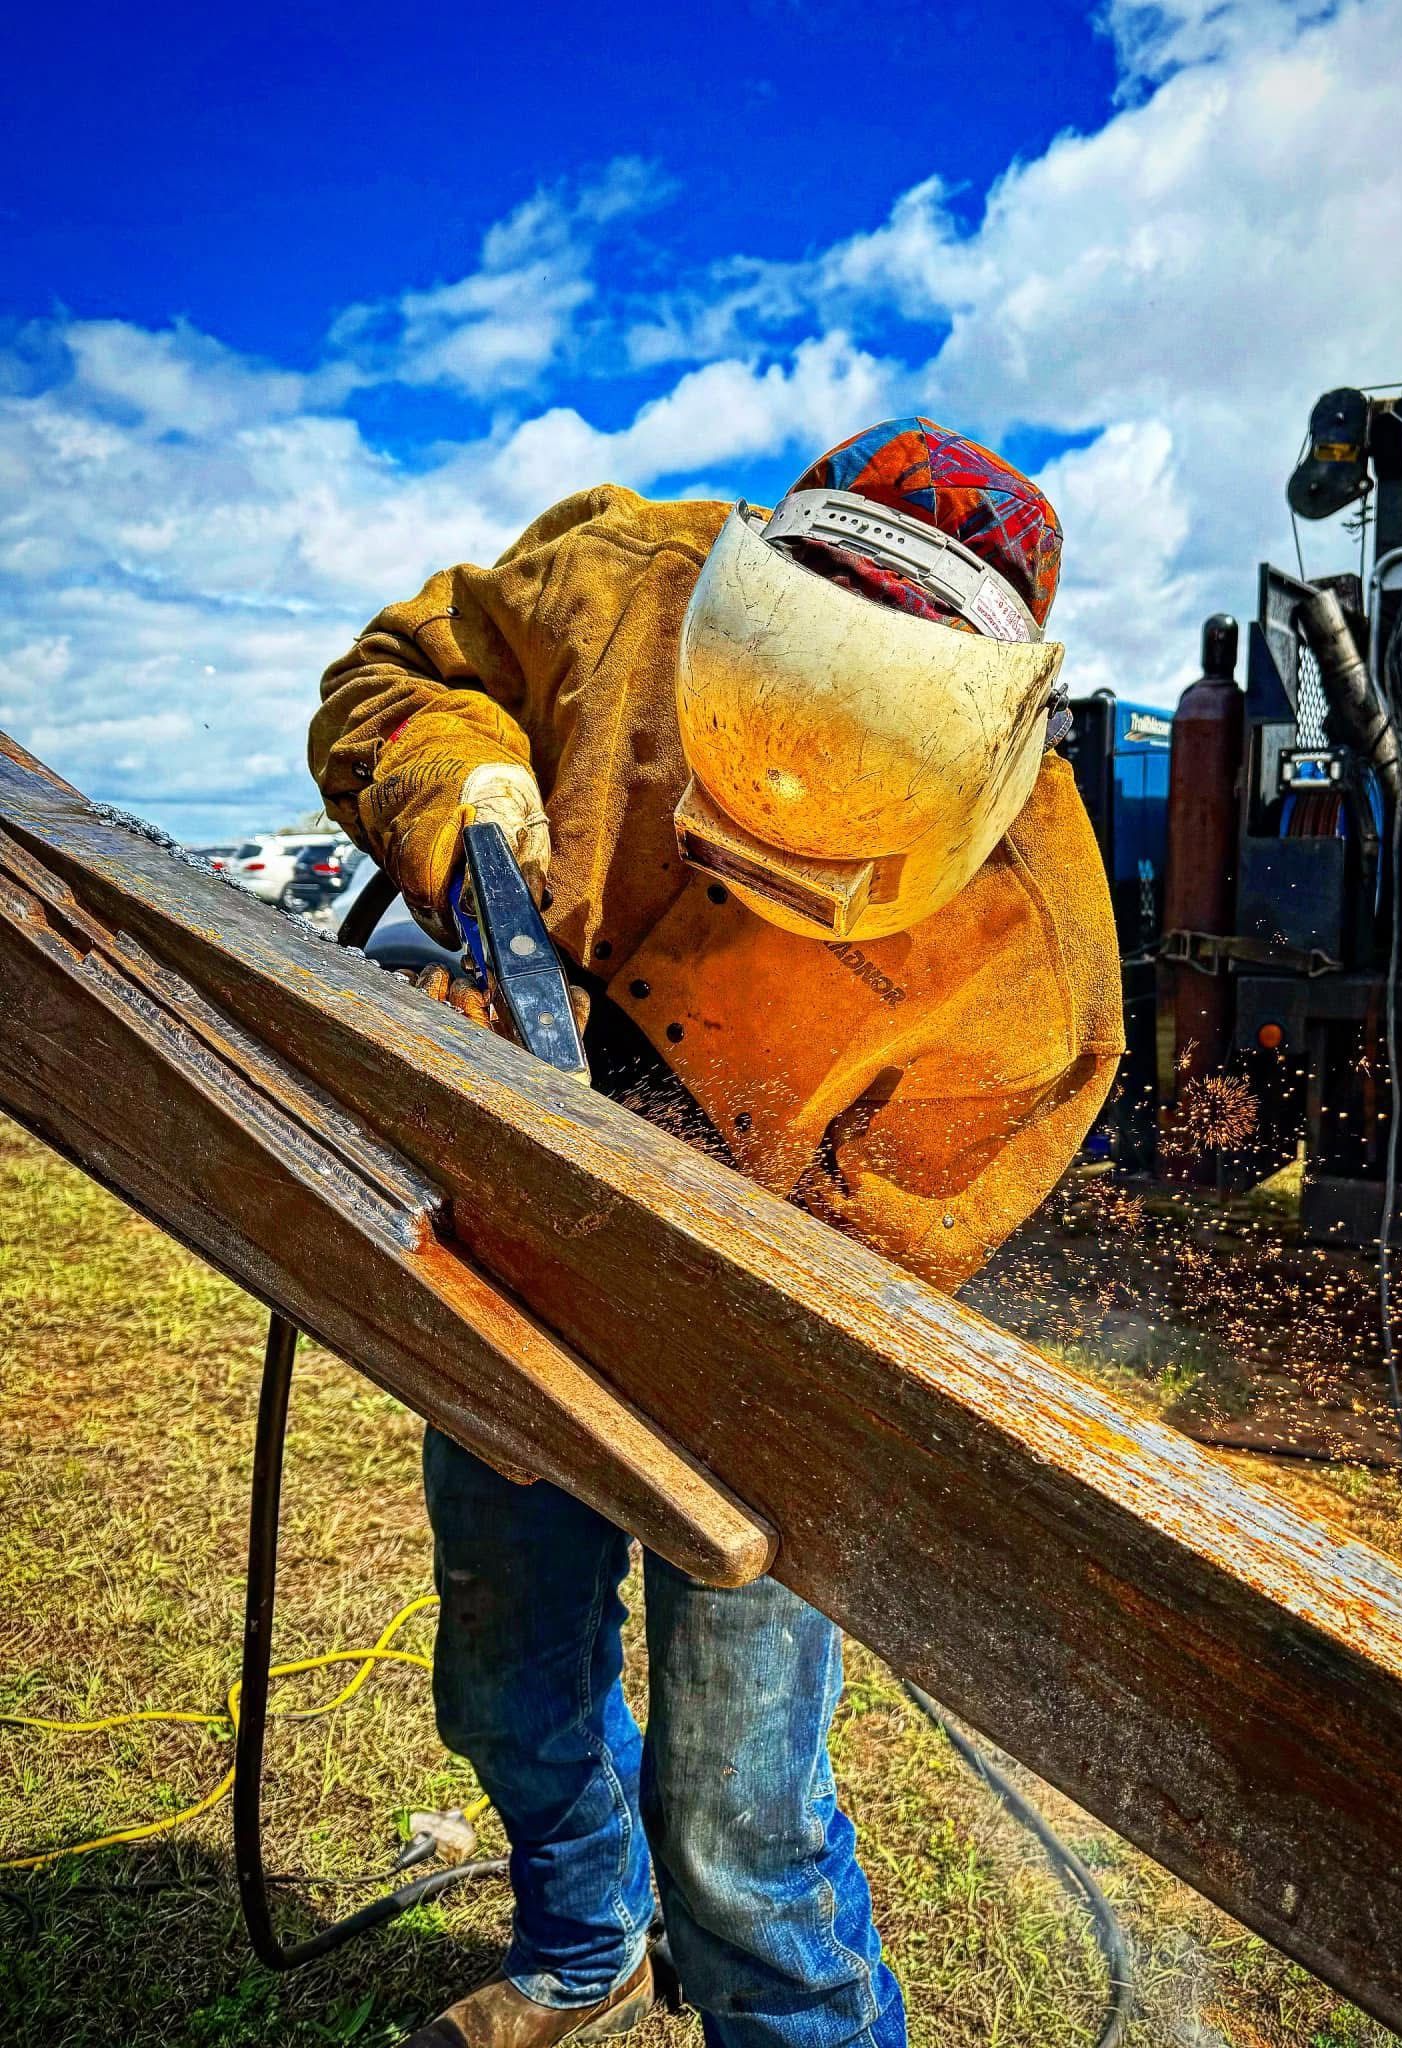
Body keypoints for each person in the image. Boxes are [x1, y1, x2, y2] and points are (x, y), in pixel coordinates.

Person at [309, 417, 1122, 2047]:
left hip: (762, 1358)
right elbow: (392, 677)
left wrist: (704, 1334)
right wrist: (461, 785)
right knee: (508, 1691)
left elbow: (893, 1259)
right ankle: (584, 1945)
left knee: (740, 1815)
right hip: (505, 1271)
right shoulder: (625, 583)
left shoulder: (1030, 963)